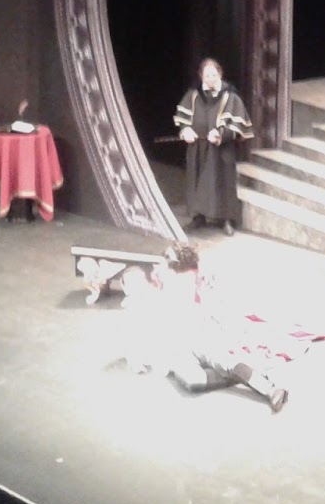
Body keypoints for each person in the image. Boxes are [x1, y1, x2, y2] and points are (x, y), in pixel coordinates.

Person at [120, 246, 289, 412]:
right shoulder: (143, 298)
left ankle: (270, 389)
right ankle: (240, 375)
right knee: (192, 380)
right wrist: (136, 359)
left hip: (199, 336)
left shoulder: (181, 281)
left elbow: (208, 305)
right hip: (177, 350)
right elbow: (134, 335)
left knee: (222, 361)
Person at [173, 58, 252, 235]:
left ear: (220, 74)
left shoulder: (230, 97)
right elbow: (183, 119)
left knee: (222, 182)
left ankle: (226, 220)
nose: (210, 78)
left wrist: (221, 134)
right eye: (207, 75)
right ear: (201, 76)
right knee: (197, 180)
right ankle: (198, 216)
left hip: (221, 149)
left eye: (213, 74)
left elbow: (238, 125)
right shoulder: (193, 95)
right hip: (198, 147)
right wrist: (186, 130)